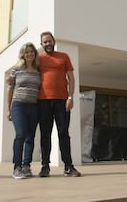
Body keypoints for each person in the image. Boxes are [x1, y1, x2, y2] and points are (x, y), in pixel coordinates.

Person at [38, 31, 81, 177]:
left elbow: (71, 78)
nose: (48, 44)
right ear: (41, 44)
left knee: (63, 133)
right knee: (45, 134)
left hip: (62, 101)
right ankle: (45, 166)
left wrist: (70, 97)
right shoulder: (38, 59)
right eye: (45, 42)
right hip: (43, 101)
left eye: (50, 41)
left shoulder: (64, 57)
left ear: (54, 41)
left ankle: (68, 166)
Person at [6, 42, 41, 179]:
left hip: (34, 107)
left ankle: (27, 166)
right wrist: (8, 109)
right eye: (26, 52)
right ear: (23, 54)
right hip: (18, 105)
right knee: (20, 134)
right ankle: (17, 168)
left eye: (31, 51)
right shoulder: (16, 70)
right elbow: (10, 89)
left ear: (35, 53)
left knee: (30, 137)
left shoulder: (39, 70)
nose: (29, 54)